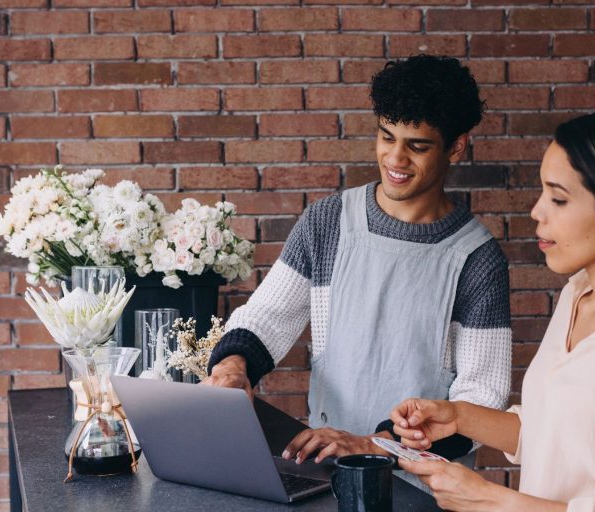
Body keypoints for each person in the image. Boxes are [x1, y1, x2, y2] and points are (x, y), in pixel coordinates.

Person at [390, 107, 595, 511]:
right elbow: (553, 434)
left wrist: (492, 501)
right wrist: (457, 416)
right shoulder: (577, 296)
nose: (537, 211)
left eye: (558, 198)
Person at [202, 55, 512, 465]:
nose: (396, 159)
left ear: (456, 146)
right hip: (327, 467)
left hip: (428, 487)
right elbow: (268, 317)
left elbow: (481, 398)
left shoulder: (477, 258)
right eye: (387, 137)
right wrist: (233, 367)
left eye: (416, 146)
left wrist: (372, 444)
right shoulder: (328, 222)